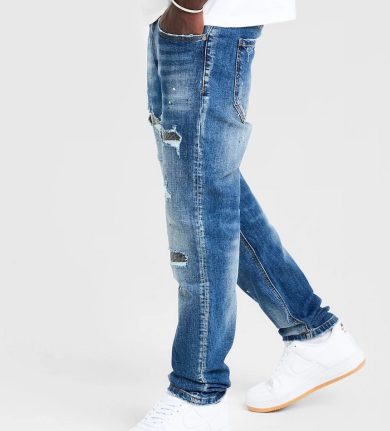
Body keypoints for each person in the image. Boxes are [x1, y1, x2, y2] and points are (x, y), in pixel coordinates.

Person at [130, 1, 366, 430]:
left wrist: (186, 6)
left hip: (201, 22)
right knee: (205, 192)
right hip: (185, 22)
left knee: (198, 211)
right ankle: (313, 335)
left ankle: (198, 392)